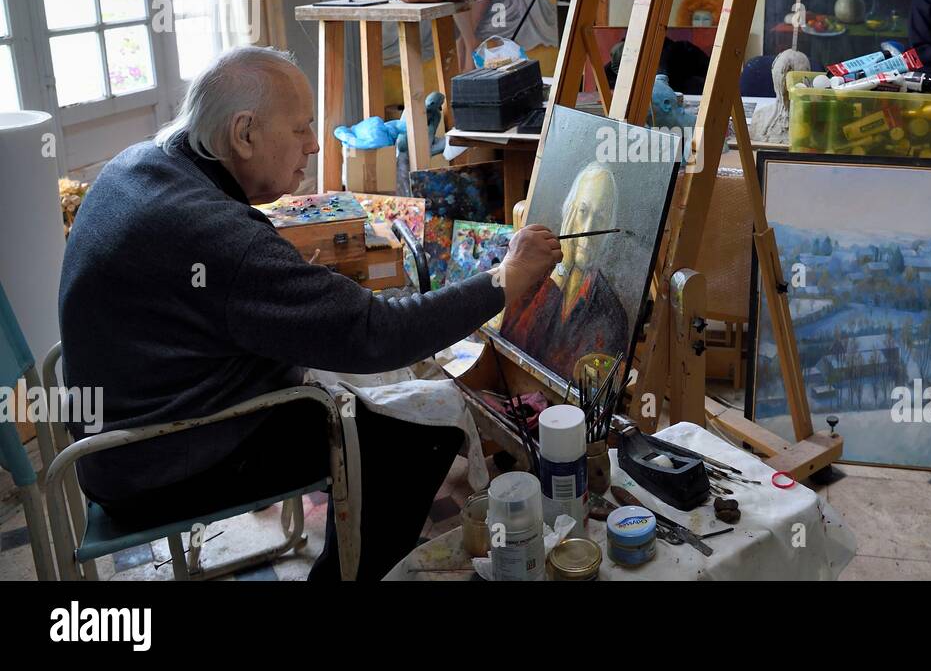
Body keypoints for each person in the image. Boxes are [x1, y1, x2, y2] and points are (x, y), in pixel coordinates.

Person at [58, 46, 561, 580]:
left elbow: (210, 289)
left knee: (365, 392)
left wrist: (284, 284)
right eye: (300, 129)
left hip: (113, 434)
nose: (315, 144)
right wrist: (506, 279)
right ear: (244, 134)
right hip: (157, 463)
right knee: (418, 434)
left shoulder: (142, 162)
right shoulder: (218, 235)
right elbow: (379, 336)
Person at [501, 162, 629, 381]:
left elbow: (582, 383)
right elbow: (511, 340)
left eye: (600, 217)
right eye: (583, 211)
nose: (589, 229)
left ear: (611, 227)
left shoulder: (612, 315)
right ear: (568, 212)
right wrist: (562, 270)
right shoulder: (533, 276)